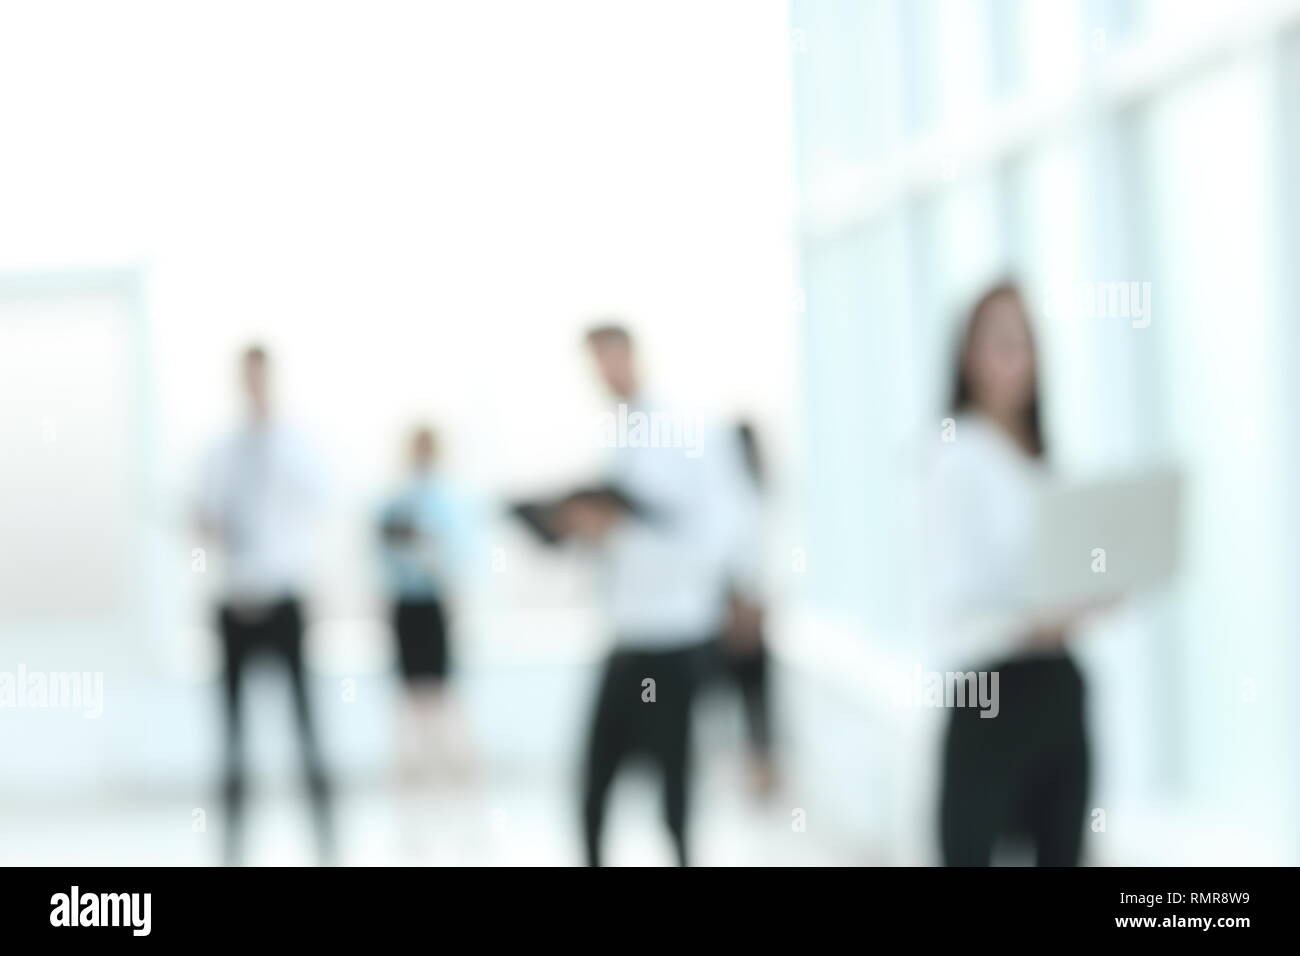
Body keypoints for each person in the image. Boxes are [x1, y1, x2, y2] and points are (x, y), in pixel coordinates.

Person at [926, 282, 1106, 867]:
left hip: (1057, 683)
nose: (1016, 358)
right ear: (968, 356)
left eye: (1025, 342)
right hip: (989, 692)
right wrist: (1034, 619)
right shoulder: (955, 455)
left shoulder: (1043, 457)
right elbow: (955, 597)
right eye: (1000, 342)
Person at [556, 323, 748, 867]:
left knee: (674, 785)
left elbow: (714, 536)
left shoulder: (685, 430)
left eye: (608, 358)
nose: (603, 373)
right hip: (626, 636)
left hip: (675, 639)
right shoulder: (620, 434)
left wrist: (622, 533)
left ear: (631, 355)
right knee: (594, 784)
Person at [196, 345, 334, 866]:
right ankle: (231, 851)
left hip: (283, 601)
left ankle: (326, 845)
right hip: (235, 603)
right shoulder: (221, 451)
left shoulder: (296, 443)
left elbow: (319, 500)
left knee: (306, 730)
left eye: (260, 378)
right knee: (232, 737)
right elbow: (206, 516)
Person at [377, 425, 468, 786]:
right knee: (408, 708)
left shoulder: (448, 501)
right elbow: (383, 555)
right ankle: (412, 805)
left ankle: (458, 797)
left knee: (444, 705)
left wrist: (429, 552)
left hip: (434, 605)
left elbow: (457, 557)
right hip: (405, 607)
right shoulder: (394, 503)